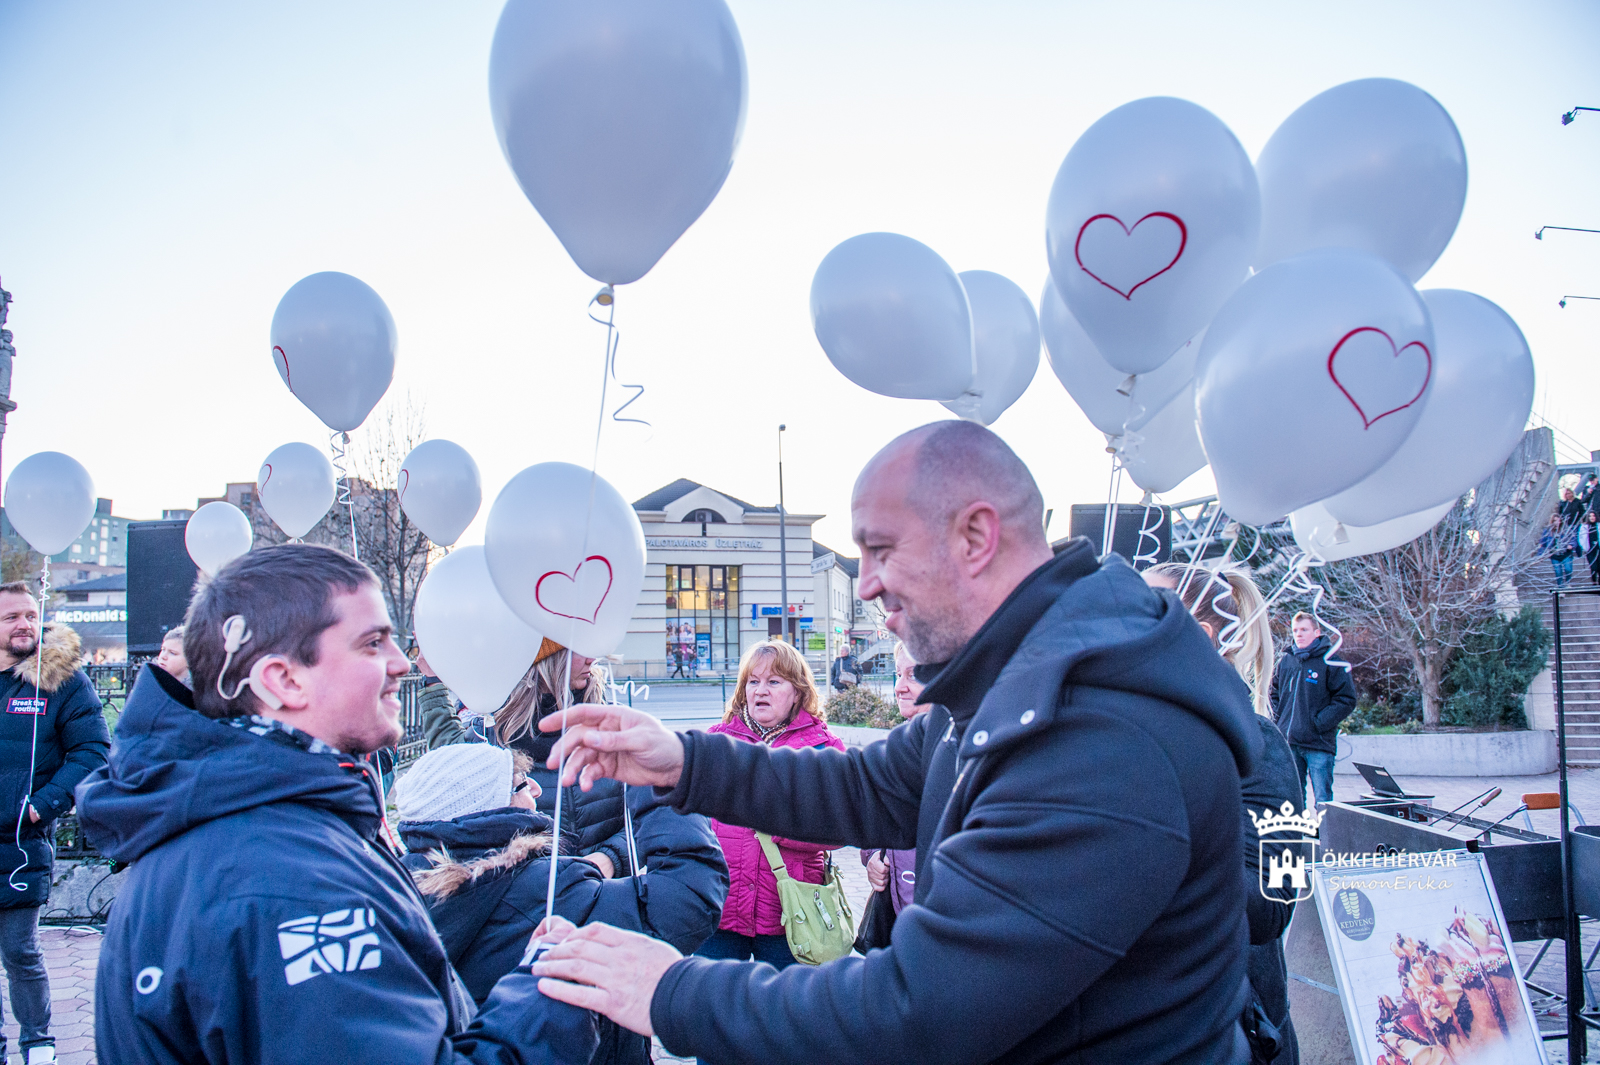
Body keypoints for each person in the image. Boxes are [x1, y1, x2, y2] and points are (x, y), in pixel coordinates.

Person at [530, 420, 1262, 1065]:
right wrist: (687, 761)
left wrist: (669, 989)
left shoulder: (1103, 736)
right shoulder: (1006, 677)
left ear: (976, 535)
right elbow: (865, 787)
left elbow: (922, 1009)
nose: (868, 584)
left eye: (880, 550)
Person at [77, 544, 600, 1064]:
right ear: (283, 680)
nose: (400, 664)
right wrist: (545, 995)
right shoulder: (292, 880)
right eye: (372, 644)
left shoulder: (232, 823)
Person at [396, 744, 728, 1065]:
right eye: (521, 784)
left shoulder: (394, 891)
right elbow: (688, 900)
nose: (538, 790)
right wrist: (658, 784)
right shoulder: (549, 890)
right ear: (492, 810)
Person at [1144, 563, 1304, 1065]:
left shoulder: (1262, 745)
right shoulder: (1129, 740)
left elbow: (1276, 905)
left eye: (1140, 609)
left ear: (1199, 635)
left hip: (1237, 1032)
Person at [0, 584, 110, 1065]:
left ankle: (38, 1045)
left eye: (30, 615)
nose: (24, 624)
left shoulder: (61, 680)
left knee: (21, 951)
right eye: (11, 617)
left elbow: (91, 752)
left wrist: (41, 805)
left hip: (20, 842)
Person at [695, 639, 844, 981]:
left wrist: (777, 825)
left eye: (774, 682)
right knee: (710, 1013)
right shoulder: (717, 742)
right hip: (722, 908)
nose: (761, 690)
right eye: (753, 681)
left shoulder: (823, 748)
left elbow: (841, 827)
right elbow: (691, 820)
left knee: (786, 1021)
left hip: (790, 915)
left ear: (798, 692)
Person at [426, 639, 630, 880]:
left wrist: (612, 857)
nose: (592, 658)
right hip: (529, 910)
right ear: (546, 658)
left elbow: (644, 820)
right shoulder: (489, 737)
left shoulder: (610, 726)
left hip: (608, 901)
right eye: (578, 647)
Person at [861, 641, 926, 915]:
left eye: (912, 675)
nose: (899, 687)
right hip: (900, 915)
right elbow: (876, 818)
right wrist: (873, 856)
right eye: (898, 674)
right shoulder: (898, 746)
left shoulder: (964, 751)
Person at [1269, 612, 1356, 807]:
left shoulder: (1331, 661)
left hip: (1319, 743)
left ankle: (1325, 837)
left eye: (1304, 630)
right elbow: (1272, 693)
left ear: (1316, 632)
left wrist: (1318, 722)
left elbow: (1346, 699)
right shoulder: (1286, 661)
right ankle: (1297, 835)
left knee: (1323, 799)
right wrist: (1279, 720)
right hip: (1290, 743)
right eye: (1295, 630)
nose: (1298, 634)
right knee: (1293, 799)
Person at [1544, 511, 1577, 587]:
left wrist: (1571, 545)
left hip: (1566, 554)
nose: (1556, 522)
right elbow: (1544, 542)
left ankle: (1567, 582)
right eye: (1554, 521)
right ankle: (1561, 587)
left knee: (1568, 569)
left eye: (1558, 520)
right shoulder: (1548, 531)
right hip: (1554, 555)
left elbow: (1573, 538)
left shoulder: (1565, 529)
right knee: (1558, 572)